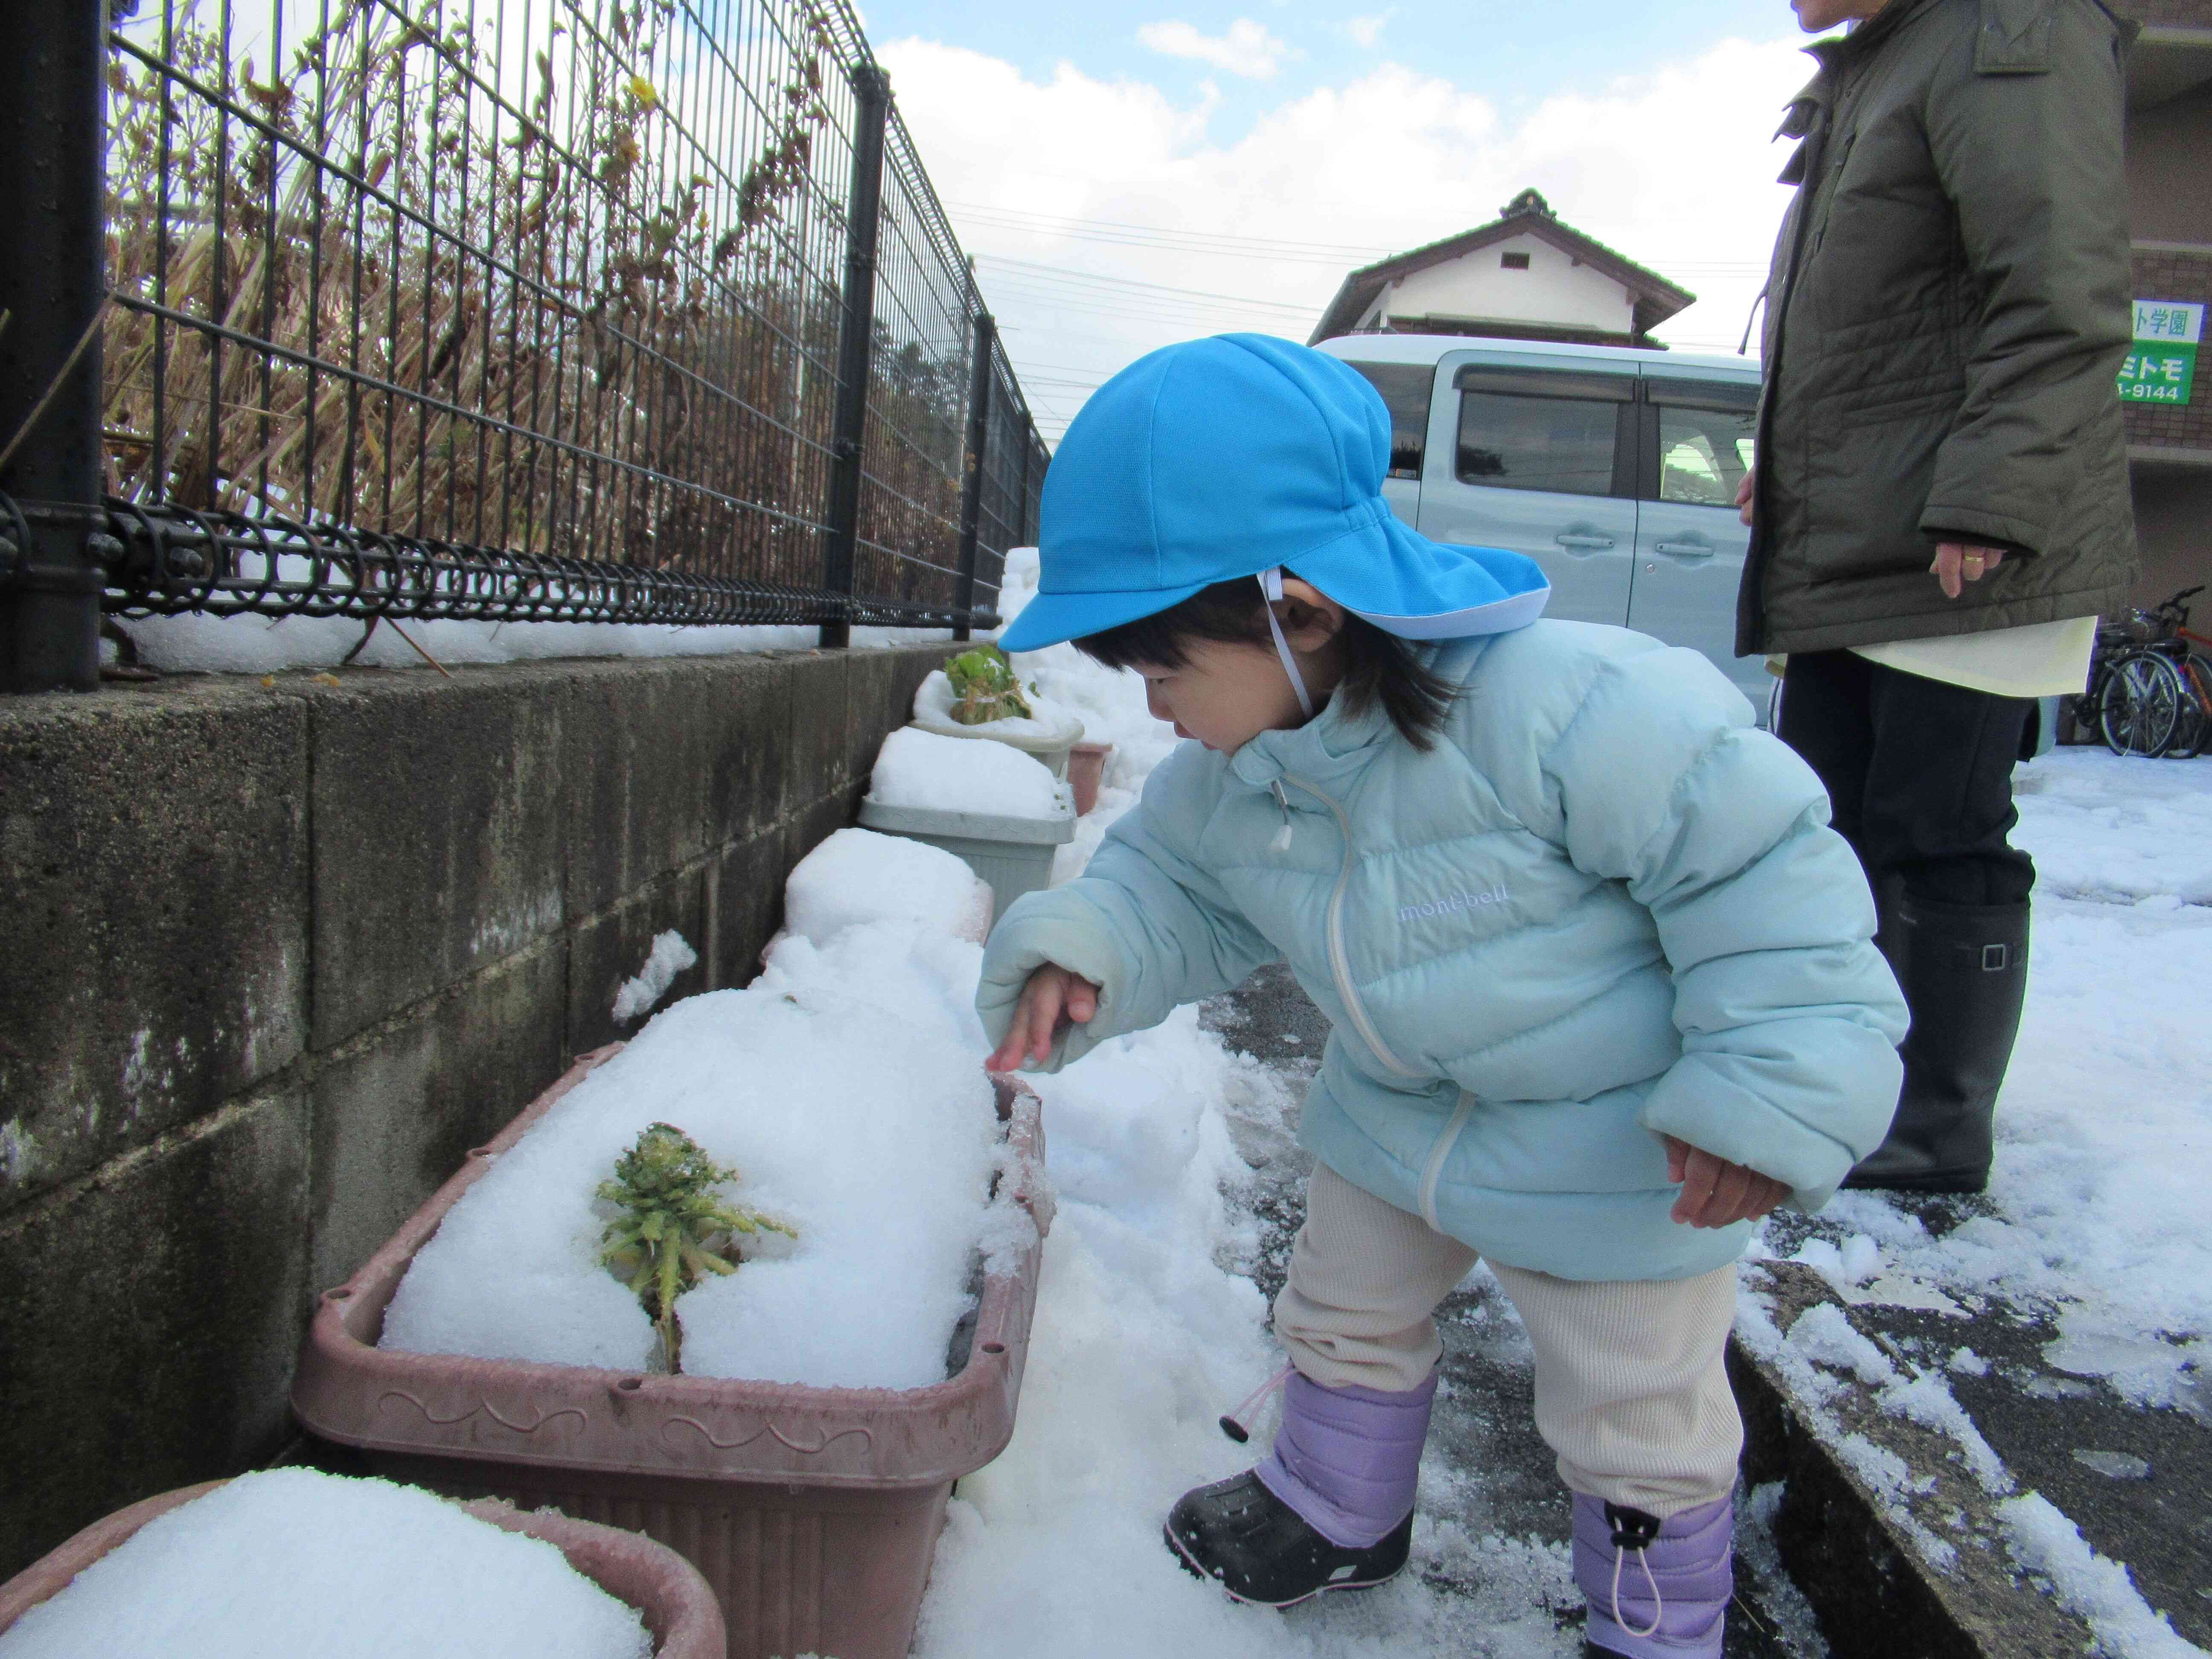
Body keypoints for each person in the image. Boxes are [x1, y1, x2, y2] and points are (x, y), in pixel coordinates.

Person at [978, 334, 1908, 1659]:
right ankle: (1334, 1502)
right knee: (1341, 1312)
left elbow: (1766, 886)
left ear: (1295, 607)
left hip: (1620, 1141)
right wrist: (1091, 946)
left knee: (1632, 1402)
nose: (1156, 708)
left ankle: (1657, 1617)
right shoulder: (1244, 764)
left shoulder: (1572, 706)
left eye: (1164, 667)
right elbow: (1170, 889)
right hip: (1399, 1106)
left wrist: (1764, 1091)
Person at [1736, 0, 2139, 1192]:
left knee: (1936, 834)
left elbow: (2060, 284)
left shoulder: (2012, 25)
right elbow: (1873, 322)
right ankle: (1845, 1089)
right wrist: (1787, 459)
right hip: (1866, 528)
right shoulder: (1885, 57)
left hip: (1967, 538)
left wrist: (1994, 493)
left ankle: (1932, 1127)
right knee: (1831, 824)